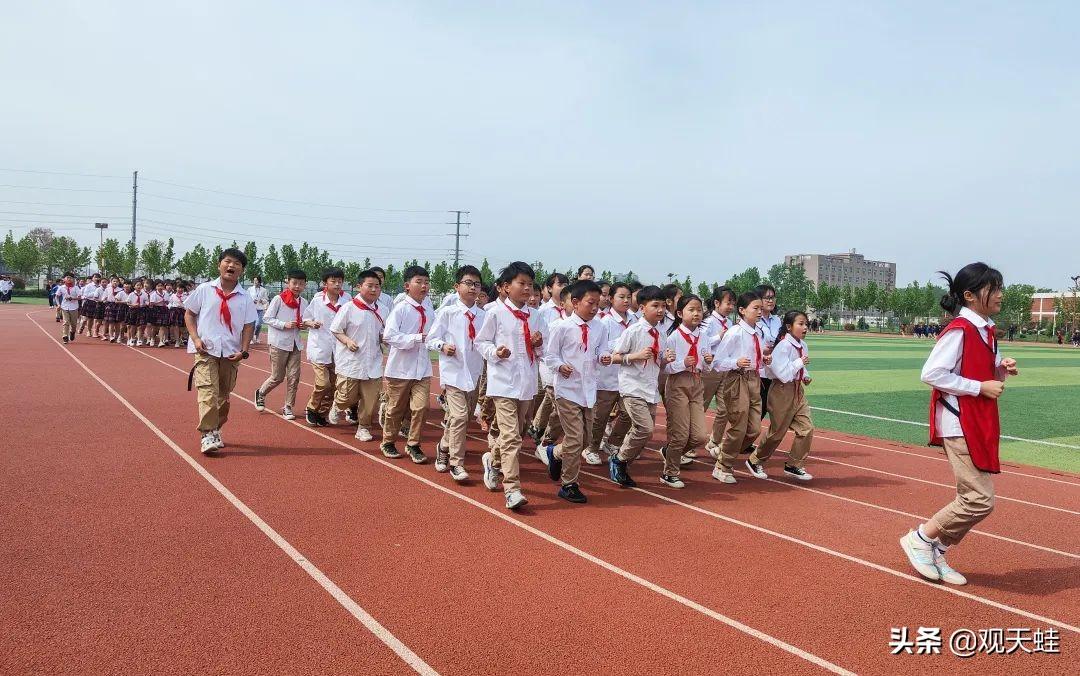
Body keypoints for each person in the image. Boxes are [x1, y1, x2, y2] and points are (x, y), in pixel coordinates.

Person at [901, 262, 1018, 586]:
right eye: (992, 289)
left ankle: (937, 548)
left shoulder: (985, 330)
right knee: (979, 499)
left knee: (976, 499)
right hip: (959, 422)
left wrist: (1000, 368)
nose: (999, 295)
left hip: (977, 421)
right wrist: (980, 387)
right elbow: (932, 373)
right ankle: (923, 538)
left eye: (999, 288)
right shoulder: (960, 330)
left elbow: (981, 368)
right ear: (969, 295)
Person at [475, 261, 543, 510]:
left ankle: (492, 462)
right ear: (506, 287)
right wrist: (496, 351)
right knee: (511, 436)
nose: (527, 289)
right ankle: (512, 489)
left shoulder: (536, 315)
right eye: (521, 283)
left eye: (530, 284)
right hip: (502, 383)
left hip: (527, 383)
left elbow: (545, 351)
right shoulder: (495, 313)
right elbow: (480, 342)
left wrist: (539, 343)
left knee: (521, 430)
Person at [539, 279, 611, 503]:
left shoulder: (600, 326)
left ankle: (555, 453)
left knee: (587, 438)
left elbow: (601, 350)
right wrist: (560, 366)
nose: (595, 307)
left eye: (598, 303)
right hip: (567, 390)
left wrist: (603, 357)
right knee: (575, 436)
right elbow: (549, 356)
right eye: (591, 303)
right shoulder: (562, 327)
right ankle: (569, 484)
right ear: (576, 302)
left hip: (589, 389)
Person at [184, 248, 257, 455]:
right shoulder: (205, 289)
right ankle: (207, 433)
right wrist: (196, 338)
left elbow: (249, 325)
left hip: (231, 353)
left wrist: (244, 351)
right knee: (208, 392)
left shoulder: (244, 298)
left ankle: (216, 428)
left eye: (237, 264)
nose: (231, 266)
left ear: (242, 270)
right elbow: (189, 314)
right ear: (219, 265)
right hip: (206, 351)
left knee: (223, 397)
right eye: (227, 261)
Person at [609, 285, 673, 488]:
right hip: (632, 387)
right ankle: (619, 458)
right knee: (645, 428)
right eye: (656, 306)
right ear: (643, 308)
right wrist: (635, 356)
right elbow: (614, 357)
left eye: (663, 306)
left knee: (646, 432)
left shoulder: (661, 334)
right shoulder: (634, 331)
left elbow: (658, 362)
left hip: (650, 388)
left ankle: (622, 462)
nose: (661, 310)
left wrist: (666, 359)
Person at [427, 265, 486, 481]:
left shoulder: (483, 315)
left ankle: (443, 446)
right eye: (468, 283)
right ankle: (456, 463)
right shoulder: (447, 313)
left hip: (474, 373)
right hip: (453, 373)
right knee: (460, 416)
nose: (473, 288)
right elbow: (430, 339)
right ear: (457, 286)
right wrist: (443, 346)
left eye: (477, 284)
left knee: (461, 418)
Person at [746, 310, 815, 481]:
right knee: (777, 432)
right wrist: (800, 363)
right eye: (800, 324)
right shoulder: (783, 346)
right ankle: (754, 460)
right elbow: (782, 374)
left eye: (806, 324)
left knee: (806, 428)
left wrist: (804, 374)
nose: (805, 327)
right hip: (781, 391)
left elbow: (798, 367)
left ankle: (794, 464)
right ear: (788, 327)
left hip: (797, 390)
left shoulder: (802, 345)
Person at [713, 291, 770, 484]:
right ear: (742, 310)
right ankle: (722, 466)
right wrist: (736, 362)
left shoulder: (759, 332)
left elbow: (756, 357)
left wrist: (764, 359)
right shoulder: (735, 332)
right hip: (737, 379)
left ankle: (724, 450)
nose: (759, 311)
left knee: (754, 429)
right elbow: (718, 362)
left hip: (754, 379)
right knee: (738, 427)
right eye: (755, 308)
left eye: (761, 308)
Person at [380, 265, 433, 463]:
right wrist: (417, 338)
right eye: (419, 282)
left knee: (421, 407)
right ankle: (388, 441)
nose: (424, 286)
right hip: (400, 369)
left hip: (422, 369)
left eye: (426, 282)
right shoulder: (401, 309)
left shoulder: (429, 308)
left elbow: (434, 333)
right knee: (396, 408)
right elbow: (389, 336)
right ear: (407, 286)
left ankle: (413, 444)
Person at [660, 294, 712, 488]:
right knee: (679, 434)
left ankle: (671, 451)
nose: (696, 313)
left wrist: (707, 362)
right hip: (677, 384)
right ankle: (670, 472)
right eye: (692, 310)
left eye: (699, 309)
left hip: (697, 383)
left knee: (699, 436)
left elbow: (705, 367)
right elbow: (665, 368)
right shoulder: (673, 337)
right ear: (680, 313)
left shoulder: (703, 336)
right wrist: (682, 363)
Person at [328, 269, 385, 441]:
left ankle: (364, 427)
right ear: (359, 286)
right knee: (347, 397)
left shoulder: (383, 309)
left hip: (373, 361)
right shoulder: (349, 308)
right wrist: (347, 341)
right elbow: (335, 329)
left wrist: (386, 339)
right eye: (370, 286)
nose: (374, 289)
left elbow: (384, 332)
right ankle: (338, 406)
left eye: (377, 286)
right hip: (351, 361)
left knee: (370, 400)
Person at [255, 269, 310, 421]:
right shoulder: (279, 300)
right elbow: (267, 318)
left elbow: (305, 320)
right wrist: (283, 324)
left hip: (295, 344)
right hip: (279, 343)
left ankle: (288, 406)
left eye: (301, 283)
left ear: (305, 285)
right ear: (288, 282)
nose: (297, 286)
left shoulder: (304, 302)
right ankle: (261, 392)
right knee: (278, 377)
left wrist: (305, 325)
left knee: (294, 377)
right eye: (294, 283)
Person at [587, 281, 633, 462]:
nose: (626, 300)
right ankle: (591, 448)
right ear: (611, 299)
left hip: (629, 376)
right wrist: (624, 345)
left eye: (629, 297)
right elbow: (601, 347)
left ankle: (612, 442)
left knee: (628, 413)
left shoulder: (635, 321)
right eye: (621, 297)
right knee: (600, 416)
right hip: (606, 376)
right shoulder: (604, 322)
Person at [303, 267, 349, 427]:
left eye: (340, 281)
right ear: (325, 283)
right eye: (333, 281)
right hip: (320, 348)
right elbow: (305, 319)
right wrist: (311, 323)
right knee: (323, 383)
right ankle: (311, 407)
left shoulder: (347, 301)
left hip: (339, 351)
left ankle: (322, 413)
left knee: (334, 386)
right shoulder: (317, 301)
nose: (337, 284)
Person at [529, 272, 569, 444]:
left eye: (566, 284)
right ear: (549, 288)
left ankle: (538, 428)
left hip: (565, 366)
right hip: (546, 362)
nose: (563, 287)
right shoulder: (543, 311)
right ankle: (546, 439)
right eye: (560, 284)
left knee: (551, 400)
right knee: (556, 400)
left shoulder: (573, 313)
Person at [701, 286, 736, 459]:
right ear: (716, 303)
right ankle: (691, 441)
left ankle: (714, 440)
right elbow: (700, 342)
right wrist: (719, 337)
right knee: (701, 406)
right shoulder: (707, 321)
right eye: (728, 303)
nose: (731, 307)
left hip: (724, 369)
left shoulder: (729, 323)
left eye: (733, 303)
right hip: (709, 370)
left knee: (725, 408)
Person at [55, 274, 80, 343]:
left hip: (74, 307)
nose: (69, 279)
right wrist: (58, 305)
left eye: (71, 278)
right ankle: (65, 336)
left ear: (73, 279)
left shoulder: (76, 288)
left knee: (74, 324)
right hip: (65, 307)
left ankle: (72, 332)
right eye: (68, 278)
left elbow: (80, 297)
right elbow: (56, 296)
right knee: (66, 322)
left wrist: (72, 298)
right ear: (64, 279)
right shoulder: (61, 288)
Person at [250, 276, 269, 345]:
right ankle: (251, 338)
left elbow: (266, 300)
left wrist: (261, 300)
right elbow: (247, 298)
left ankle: (256, 337)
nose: (255, 282)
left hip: (260, 309)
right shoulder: (250, 289)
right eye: (254, 280)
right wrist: (252, 301)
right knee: (252, 325)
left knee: (258, 324)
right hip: (252, 309)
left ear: (259, 282)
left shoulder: (264, 290)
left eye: (256, 281)